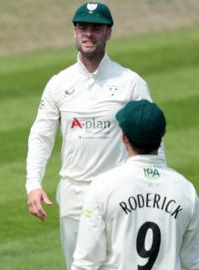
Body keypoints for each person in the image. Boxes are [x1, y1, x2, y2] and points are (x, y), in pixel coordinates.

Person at [25, 2, 165, 269]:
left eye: (96, 28)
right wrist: (33, 183)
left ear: (109, 33)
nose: (89, 34)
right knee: (79, 265)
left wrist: (157, 184)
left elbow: (153, 135)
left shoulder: (130, 82)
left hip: (122, 191)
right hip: (74, 193)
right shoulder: (59, 83)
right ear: (75, 32)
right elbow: (41, 136)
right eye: (83, 28)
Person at [72, 100, 199, 270]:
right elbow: (193, 262)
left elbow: (85, 263)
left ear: (124, 137)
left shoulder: (103, 186)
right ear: (163, 135)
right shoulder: (186, 190)